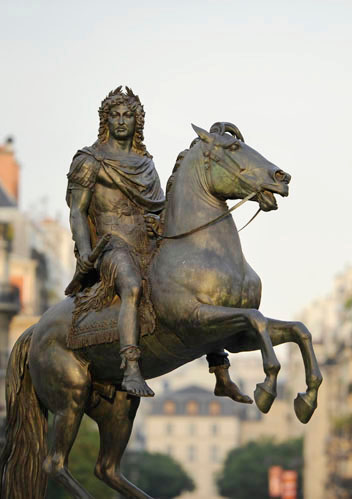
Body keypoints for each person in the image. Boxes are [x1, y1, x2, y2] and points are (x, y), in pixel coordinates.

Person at [66, 87, 251, 402]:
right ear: (105, 120)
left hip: (147, 238)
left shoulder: (145, 164)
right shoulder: (89, 160)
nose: (122, 121)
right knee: (132, 286)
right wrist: (85, 252)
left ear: (137, 121)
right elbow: (77, 211)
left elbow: (156, 206)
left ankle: (220, 372)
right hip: (113, 244)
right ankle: (131, 365)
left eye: (129, 115)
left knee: (195, 286)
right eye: (116, 115)